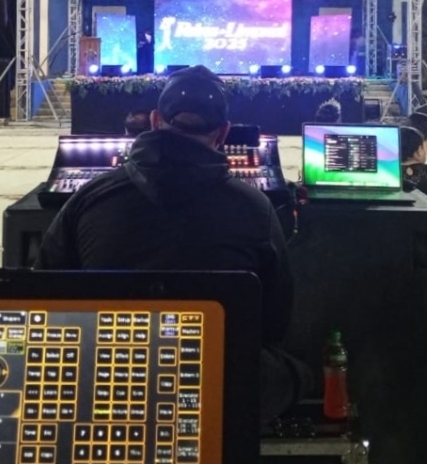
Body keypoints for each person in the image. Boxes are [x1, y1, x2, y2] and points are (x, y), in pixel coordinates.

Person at [36, 65, 309, 424]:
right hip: (217, 382)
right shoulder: (255, 208)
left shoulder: (89, 199)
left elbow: (44, 290)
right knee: (300, 372)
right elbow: (275, 319)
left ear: (153, 121)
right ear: (223, 133)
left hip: (107, 377)